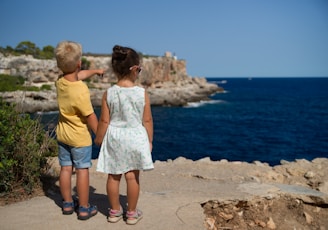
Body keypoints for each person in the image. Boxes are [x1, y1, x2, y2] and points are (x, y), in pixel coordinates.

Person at [95, 45, 154, 225]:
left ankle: (114, 212)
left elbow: (104, 121)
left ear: (114, 69)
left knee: (113, 176)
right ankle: (131, 213)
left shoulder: (109, 93)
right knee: (132, 177)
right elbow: (148, 120)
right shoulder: (141, 93)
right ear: (135, 69)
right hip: (135, 137)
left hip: (115, 137)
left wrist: (98, 139)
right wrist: (149, 141)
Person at [55, 40, 103, 220]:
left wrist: (95, 72)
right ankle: (84, 207)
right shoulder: (81, 90)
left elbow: (77, 75)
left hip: (63, 136)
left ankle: (67, 203)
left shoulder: (60, 82)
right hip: (80, 139)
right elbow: (90, 116)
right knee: (82, 170)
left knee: (65, 169)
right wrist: (100, 135)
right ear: (79, 63)